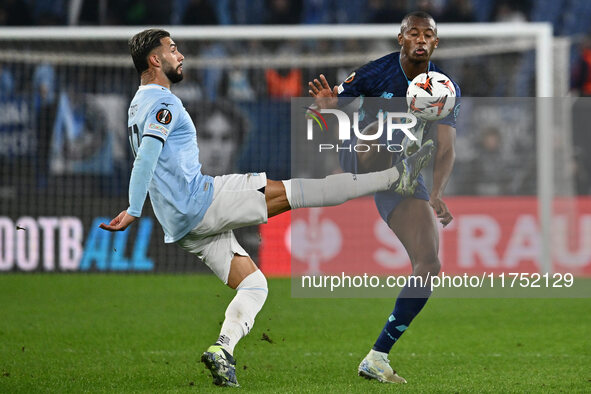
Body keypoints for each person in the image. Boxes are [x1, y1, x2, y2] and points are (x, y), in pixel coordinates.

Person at [99, 28, 435, 388]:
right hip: (201, 201)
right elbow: (147, 156)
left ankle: (222, 349)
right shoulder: (164, 103)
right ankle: (395, 176)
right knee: (303, 192)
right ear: (155, 59)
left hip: (178, 224)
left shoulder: (138, 103)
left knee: (256, 285)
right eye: (173, 49)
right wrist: (134, 208)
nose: (180, 55)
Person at [308, 11, 460, 384]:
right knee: (384, 124)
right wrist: (324, 111)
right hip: (359, 151)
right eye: (414, 33)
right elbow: (320, 118)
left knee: (429, 264)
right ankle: (392, 148)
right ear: (401, 39)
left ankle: (377, 357)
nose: (421, 39)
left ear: (436, 43)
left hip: (402, 177)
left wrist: (437, 193)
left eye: (428, 34)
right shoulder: (376, 73)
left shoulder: (443, 86)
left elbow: (446, 148)